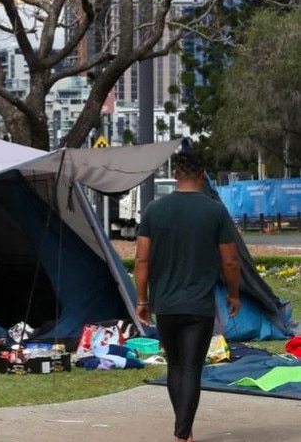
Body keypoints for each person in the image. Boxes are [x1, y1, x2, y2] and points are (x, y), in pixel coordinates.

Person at [133, 149, 241, 442]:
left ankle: (184, 430)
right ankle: (182, 433)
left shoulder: (154, 210)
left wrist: (142, 301)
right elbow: (230, 261)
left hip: (165, 304)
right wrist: (234, 295)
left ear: (175, 174)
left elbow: (142, 260)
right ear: (203, 175)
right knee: (192, 367)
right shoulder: (215, 211)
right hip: (199, 306)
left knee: (175, 366)